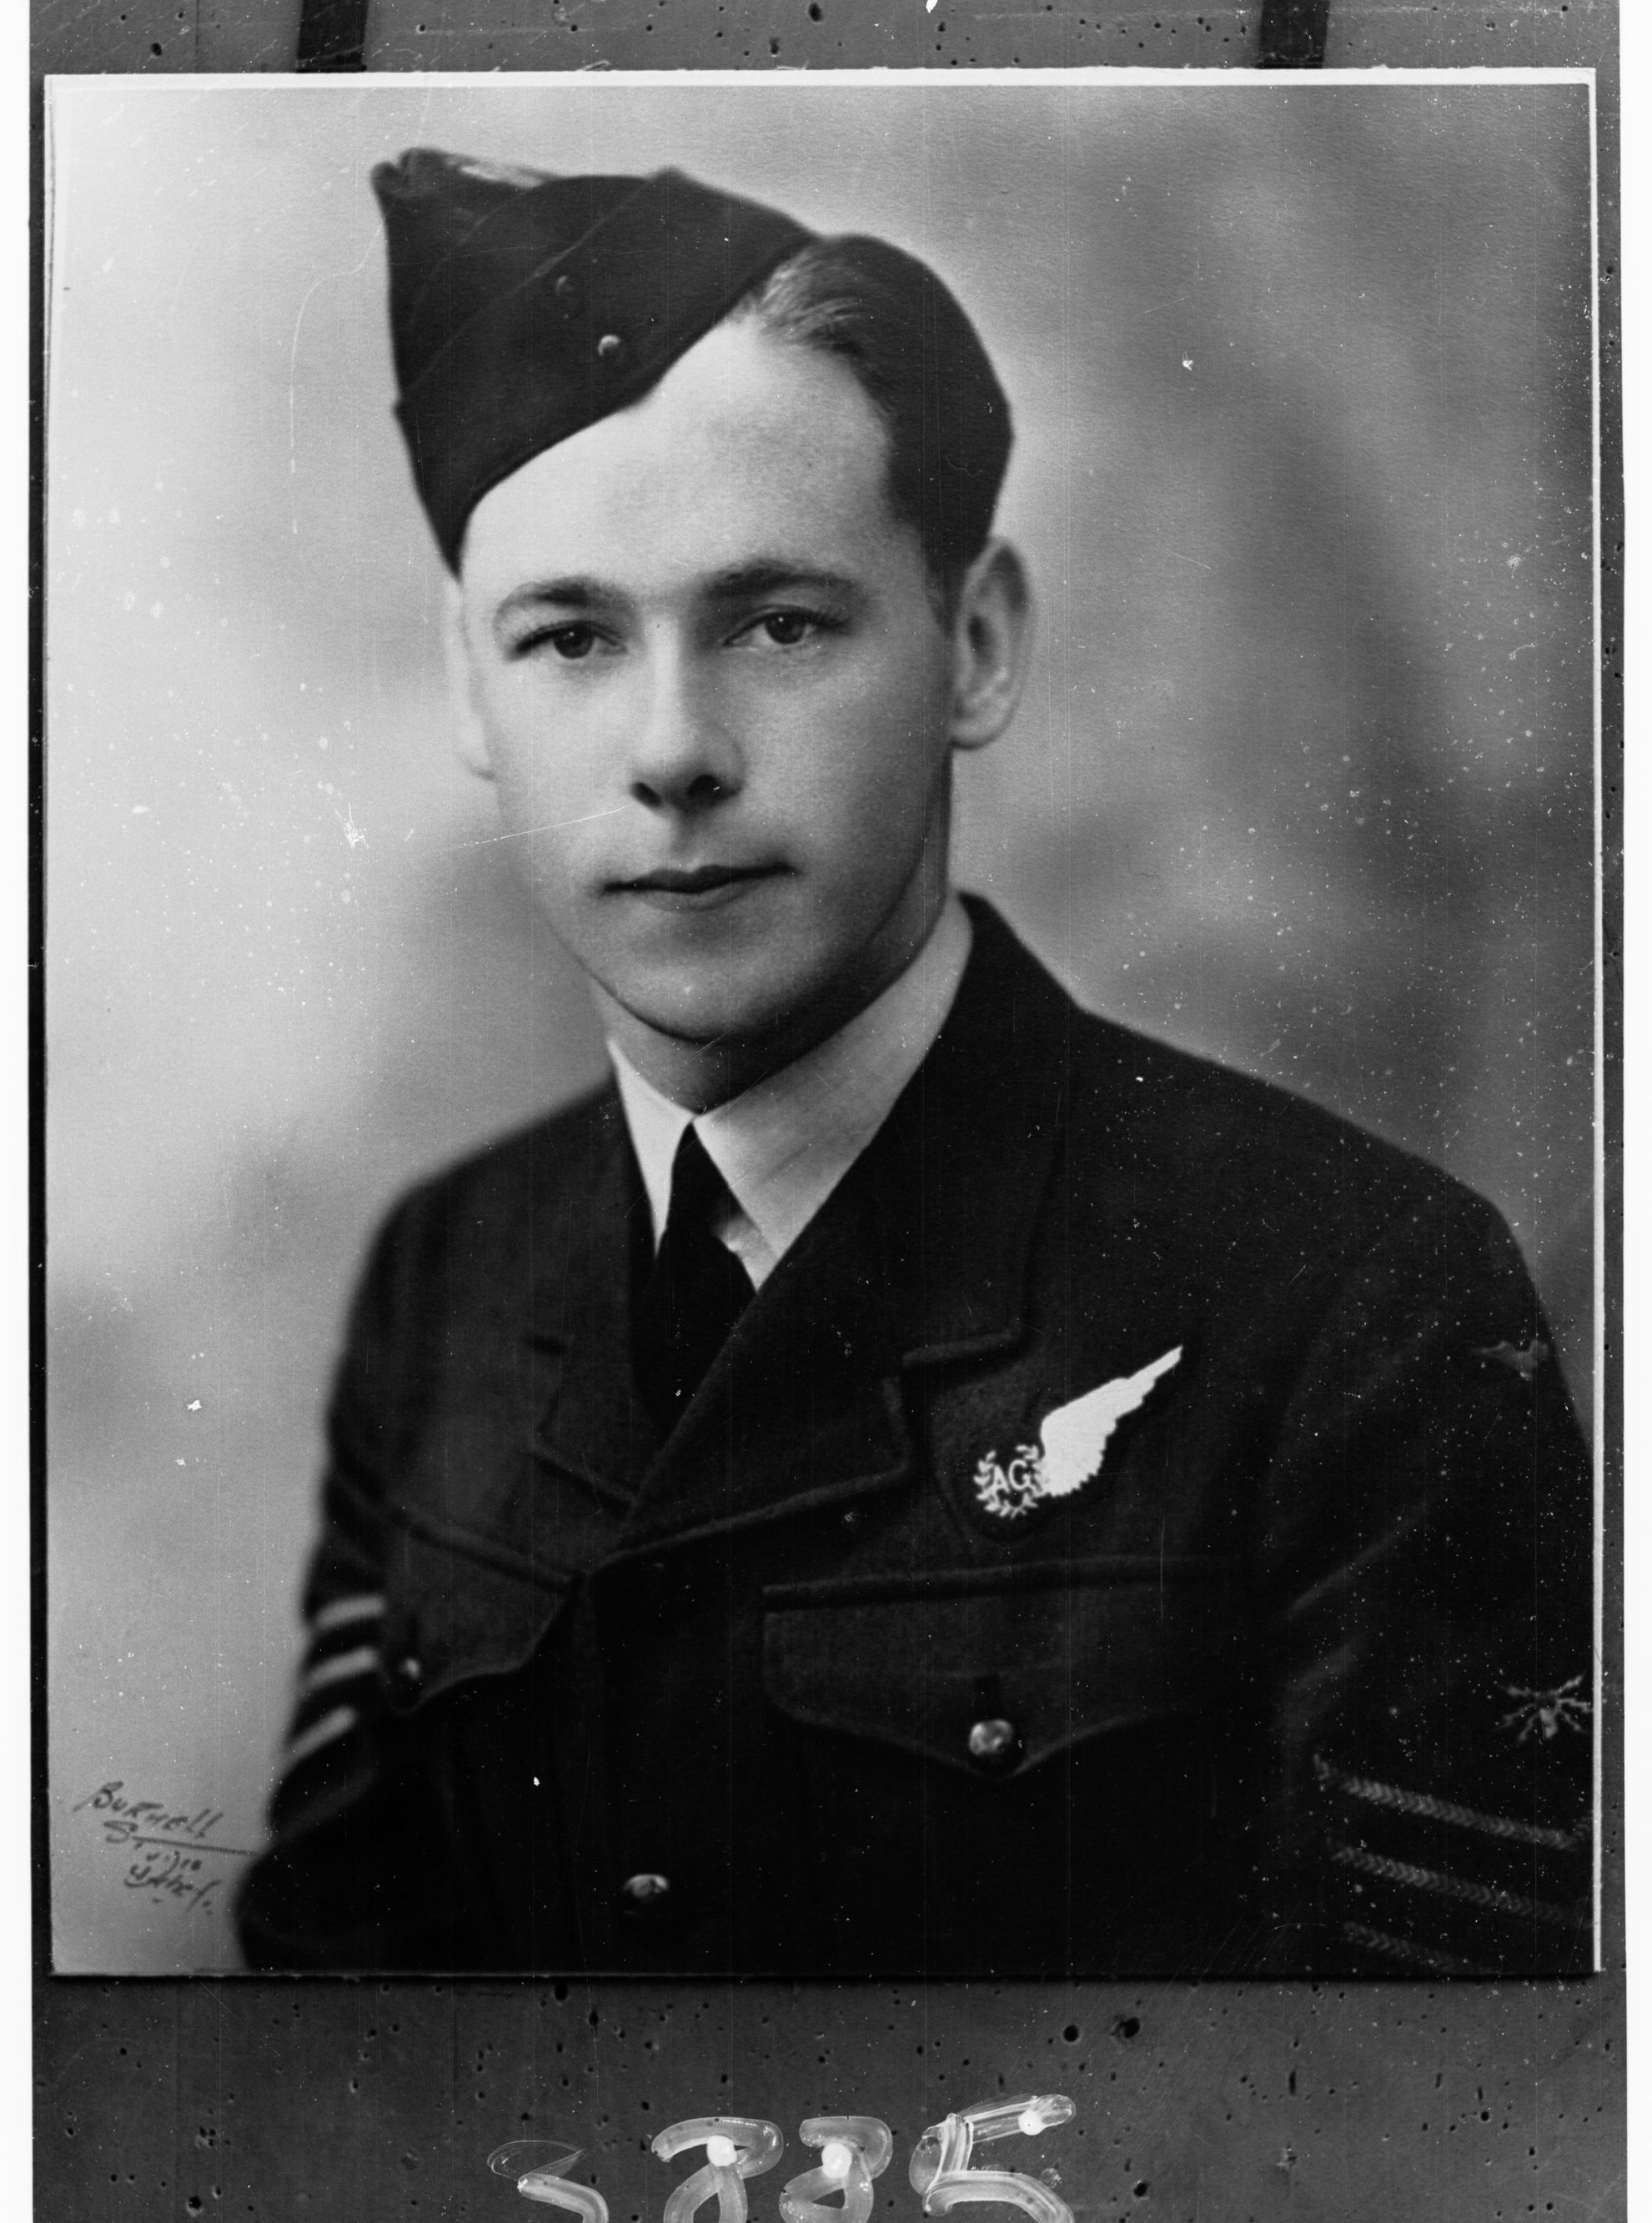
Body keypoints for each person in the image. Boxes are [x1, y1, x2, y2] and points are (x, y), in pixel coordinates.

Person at [236, 150, 1594, 1978]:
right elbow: (325, 2042)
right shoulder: (446, 1274)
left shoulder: (1352, 1305)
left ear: (973, 642)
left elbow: (1434, 2129)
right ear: (473, 696)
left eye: (778, 624)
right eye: (567, 638)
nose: (671, 751)